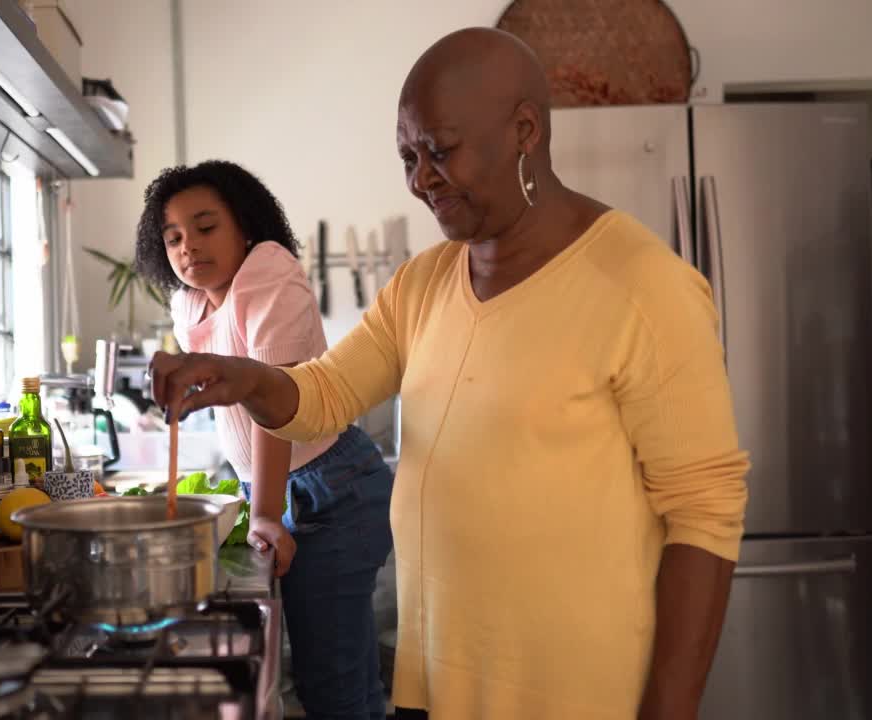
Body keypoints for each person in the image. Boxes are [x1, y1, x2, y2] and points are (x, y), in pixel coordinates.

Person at [149, 29, 749, 720]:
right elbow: (326, 393)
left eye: (440, 150)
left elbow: (704, 511)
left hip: (578, 690)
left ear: (524, 130)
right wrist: (245, 377)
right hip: (442, 682)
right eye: (408, 156)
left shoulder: (643, 287)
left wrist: (670, 708)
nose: (420, 179)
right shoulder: (424, 282)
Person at [134, 160, 395, 719]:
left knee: (335, 689)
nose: (188, 247)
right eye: (174, 237)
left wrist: (266, 512)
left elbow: (277, 403)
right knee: (331, 682)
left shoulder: (268, 271)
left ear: (245, 226)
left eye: (206, 228)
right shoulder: (189, 303)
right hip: (278, 488)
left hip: (331, 489)